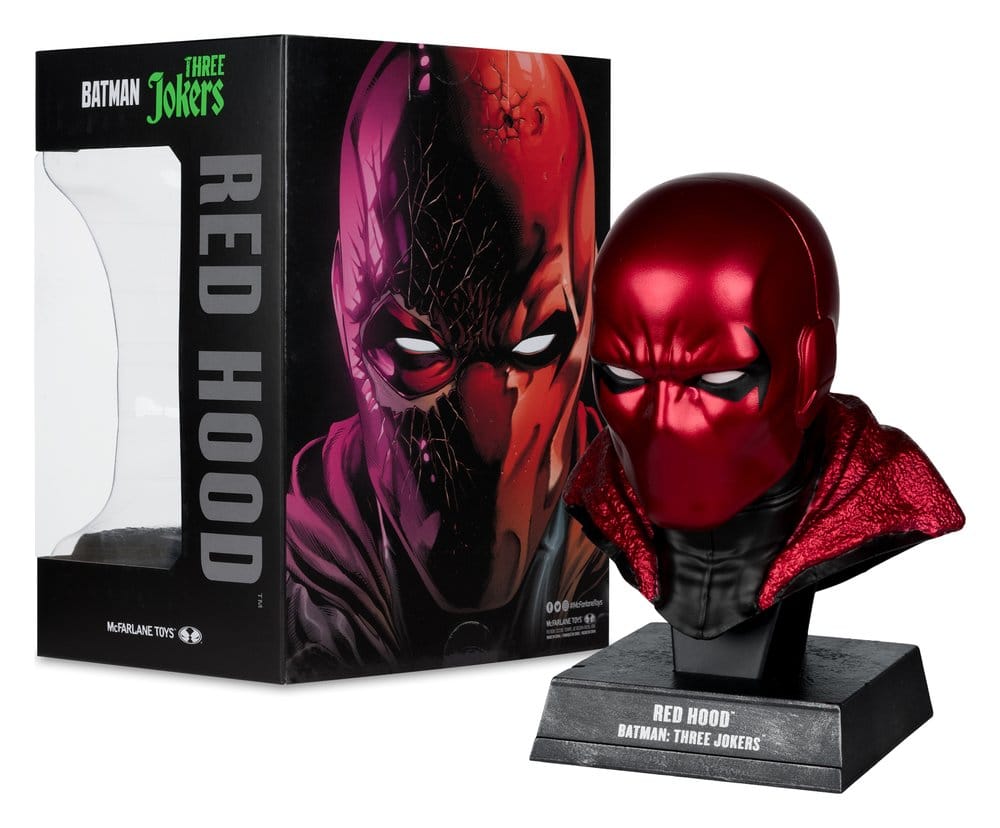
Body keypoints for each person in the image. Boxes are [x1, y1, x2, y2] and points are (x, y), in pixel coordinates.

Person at [286, 44, 606, 679]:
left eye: (533, 346)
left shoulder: (626, 538)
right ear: (342, 305)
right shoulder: (300, 578)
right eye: (418, 351)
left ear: (593, 300)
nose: (488, 444)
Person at [565, 174, 964, 648]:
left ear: (813, 369)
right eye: (623, 376)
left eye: (715, 380)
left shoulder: (885, 489)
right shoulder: (598, 496)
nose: (663, 424)